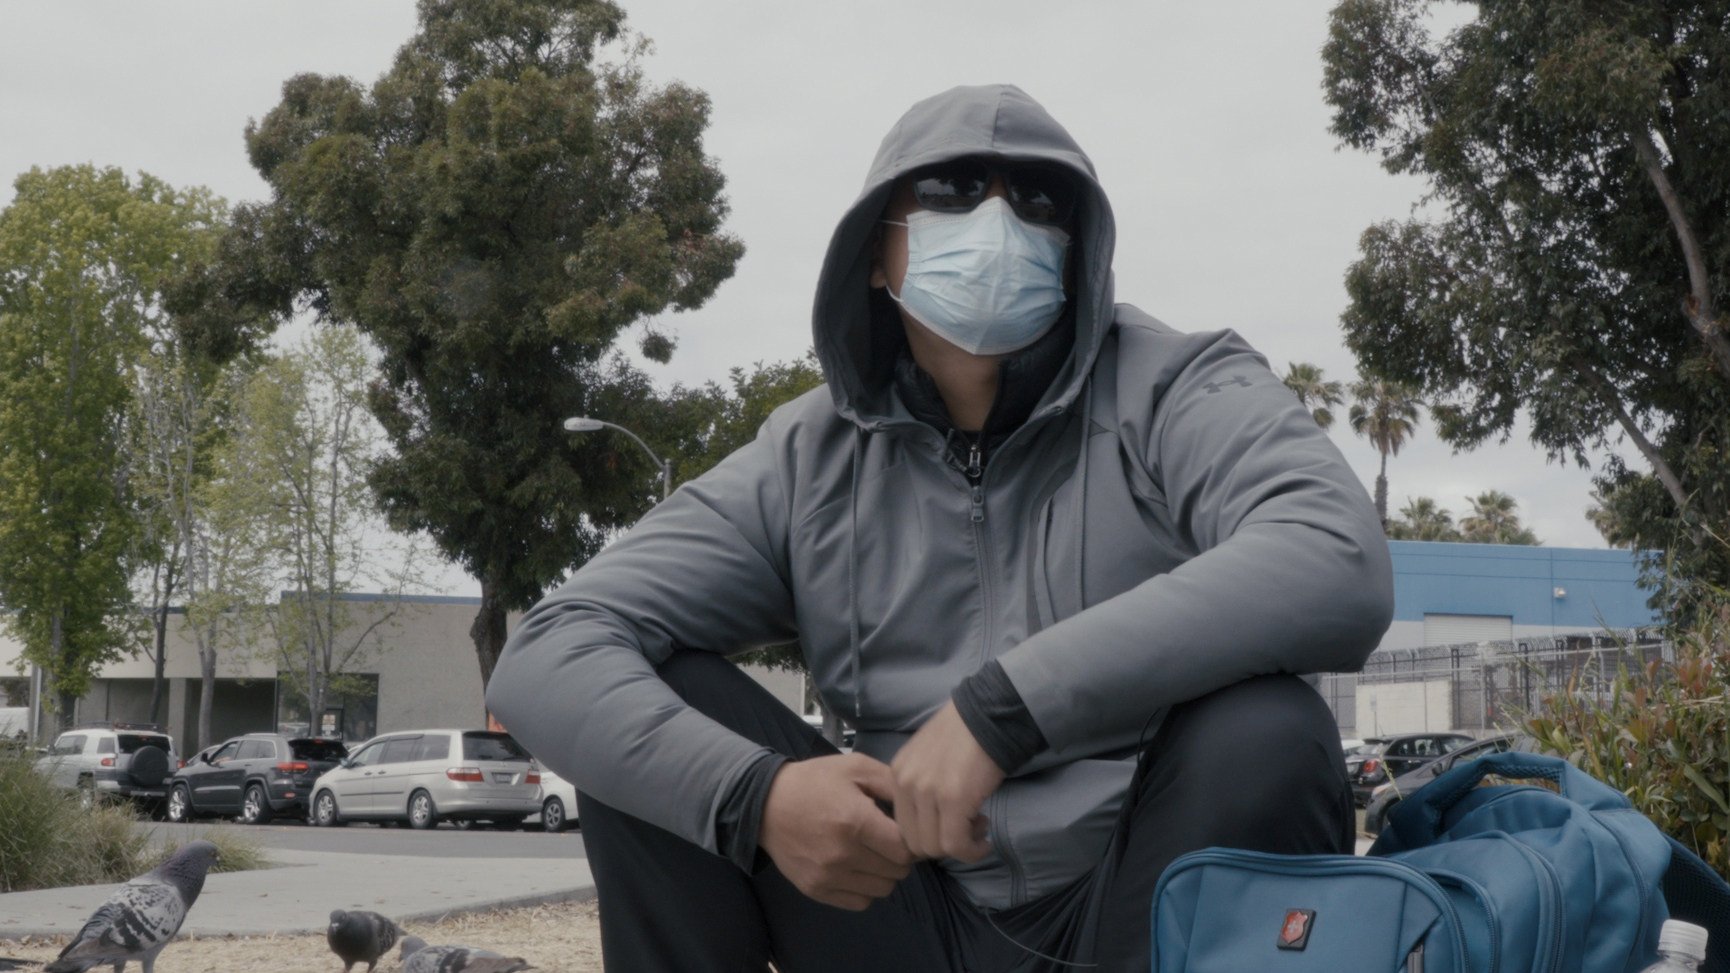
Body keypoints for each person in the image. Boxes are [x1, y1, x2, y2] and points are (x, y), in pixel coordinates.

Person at [487, 84, 1393, 972]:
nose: (999, 219)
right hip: (895, 903)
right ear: (876, 253)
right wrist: (755, 797)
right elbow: (549, 650)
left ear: (1078, 251)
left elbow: (1335, 555)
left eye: (1039, 198)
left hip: (1139, 904)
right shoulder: (806, 458)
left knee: (1269, 728)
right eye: (953, 189)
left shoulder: (1177, 386)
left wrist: (1004, 711)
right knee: (656, 725)